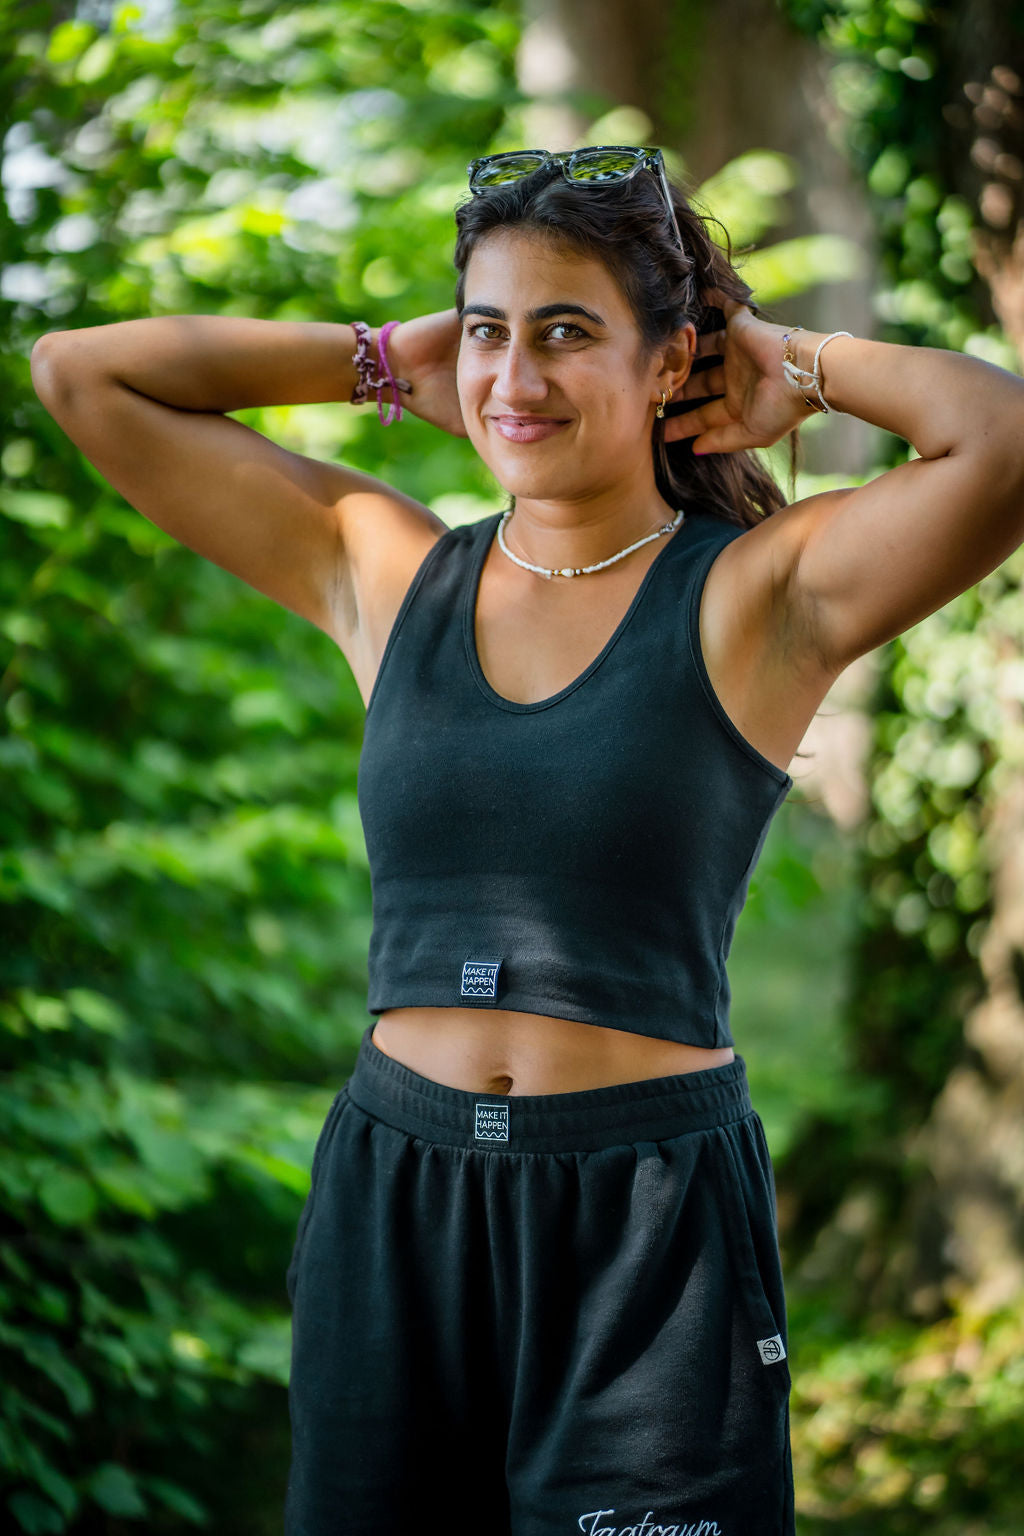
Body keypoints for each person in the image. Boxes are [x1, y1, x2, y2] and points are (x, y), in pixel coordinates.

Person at [30, 144, 1024, 1536]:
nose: (515, 378)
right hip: (399, 1193)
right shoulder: (382, 568)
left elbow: (1006, 439)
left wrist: (790, 362)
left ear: (674, 359)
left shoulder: (755, 596)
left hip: (645, 1225)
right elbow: (82, 373)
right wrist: (383, 358)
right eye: (490, 332)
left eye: (568, 334)